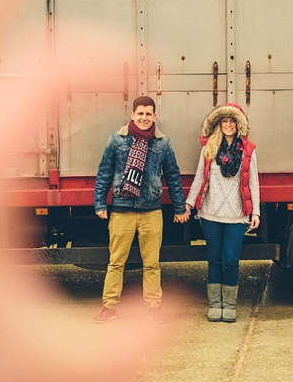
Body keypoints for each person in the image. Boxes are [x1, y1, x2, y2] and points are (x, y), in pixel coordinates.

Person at [93, 96, 190, 323]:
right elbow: (105, 172)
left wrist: (179, 207)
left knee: (152, 263)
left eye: (148, 114)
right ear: (132, 115)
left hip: (151, 211)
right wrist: (100, 203)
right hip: (121, 210)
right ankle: (109, 307)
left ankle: (153, 307)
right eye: (140, 113)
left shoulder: (163, 143)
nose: (144, 118)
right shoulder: (117, 140)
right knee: (116, 261)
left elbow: (173, 176)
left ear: (154, 116)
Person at [185, 103, 260, 323]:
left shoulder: (248, 151)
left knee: (230, 260)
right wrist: (189, 205)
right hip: (211, 215)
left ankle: (229, 305)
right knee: (214, 260)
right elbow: (200, 178)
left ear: (239, 125)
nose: (228, 125)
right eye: (224, 121)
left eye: (232, 121)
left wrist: (255, 212)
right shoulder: (208, 148)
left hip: (236, 216)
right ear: (219, 124)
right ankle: (215, 305)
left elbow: (253, 182)